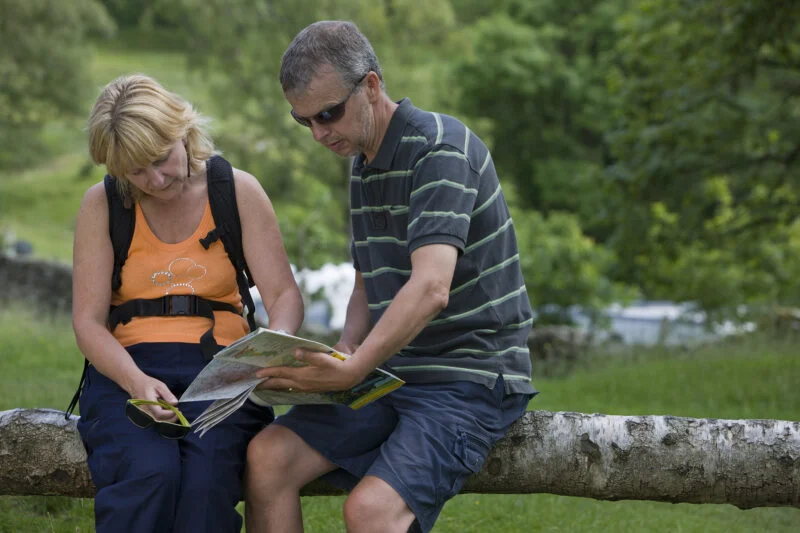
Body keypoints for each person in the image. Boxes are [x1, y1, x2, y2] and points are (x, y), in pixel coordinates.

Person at [245, 21, 537, 533]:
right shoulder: (362, 159)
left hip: (468, 376)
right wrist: (344, 351)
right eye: (303, 121)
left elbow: (431, 288)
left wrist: (354, 370)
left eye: (328, 114)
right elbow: (367, 277)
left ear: (372, 86)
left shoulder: (439, 150)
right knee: (267, 458)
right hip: (392, 373)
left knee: (369, 511)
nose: (318, 134)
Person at [72, 73, 304, 533]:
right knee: (148, 475)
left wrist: (270, 350)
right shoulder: (102, 204)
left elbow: (283, 295)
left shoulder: (236, 190)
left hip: (222, 368)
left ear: (183, 131)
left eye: (161, 159)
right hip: (127, 369)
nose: (156, 180)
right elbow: (88, 323)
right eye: (136, 172)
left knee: (205, 484)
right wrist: (136, 382)